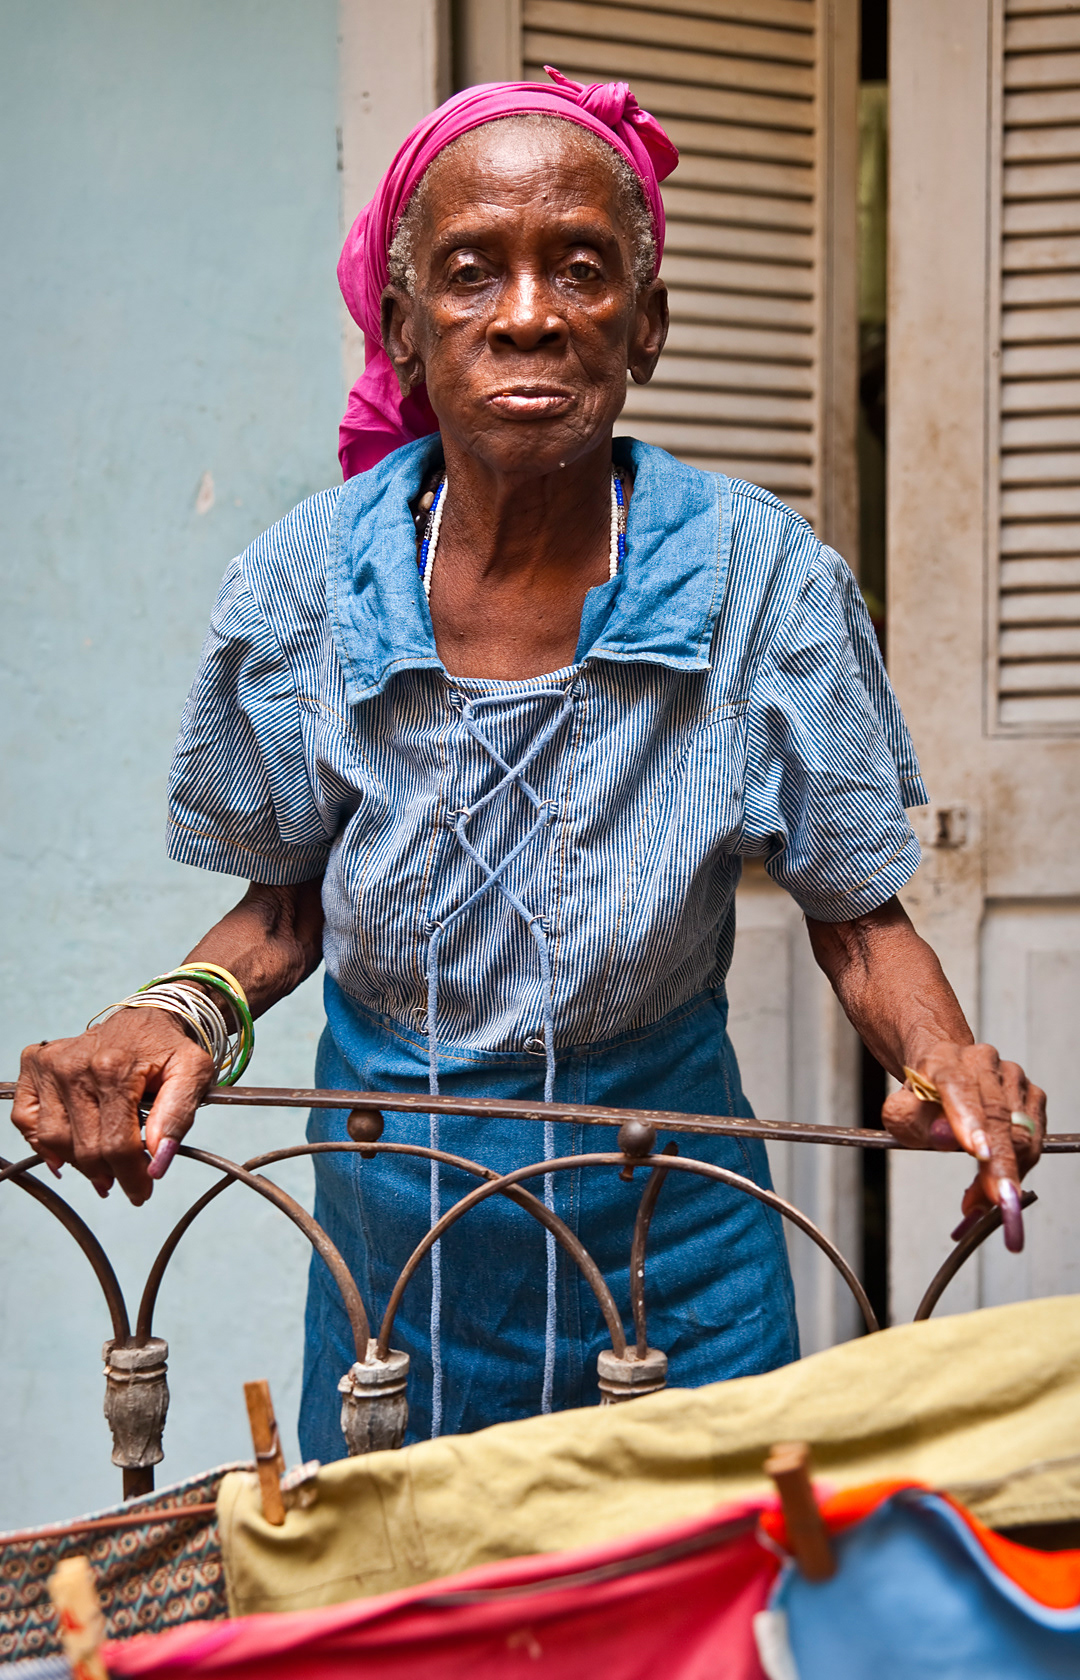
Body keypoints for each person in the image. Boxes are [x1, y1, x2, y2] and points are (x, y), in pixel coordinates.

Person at [13, 71, 1046, 1454]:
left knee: (695, 1638)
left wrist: (945, 1062)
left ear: (649, 322)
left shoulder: (762, 584)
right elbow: (286, 905)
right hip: (395, 1271)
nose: (528, 312)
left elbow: (858, 920)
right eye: (468, 272)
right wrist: (177, 1015)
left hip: (675, 1254)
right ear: (401, 327)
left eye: (581, 267)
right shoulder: (304, 592)